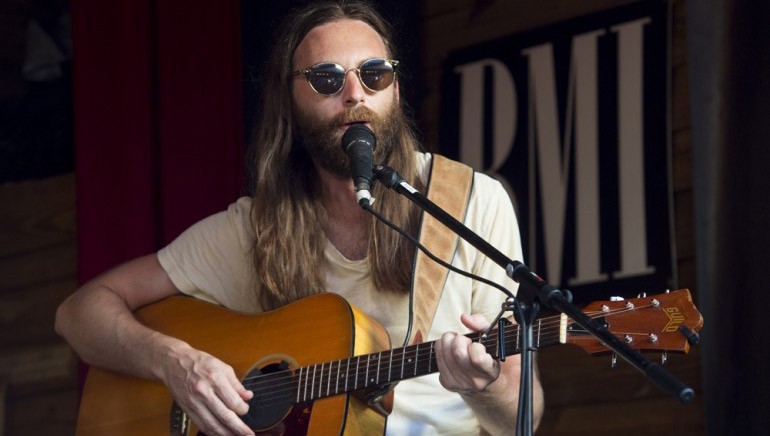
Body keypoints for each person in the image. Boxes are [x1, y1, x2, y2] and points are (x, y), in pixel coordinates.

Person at [55, 1, 544, 434]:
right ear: (290, 100)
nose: (355, 94)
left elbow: (522, 415)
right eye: (328, 79)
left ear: (395, 88)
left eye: (375, 74)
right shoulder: (253, 229)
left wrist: (482, 387)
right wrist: (175, 363)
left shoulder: (473, 202)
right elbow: (79, 313)